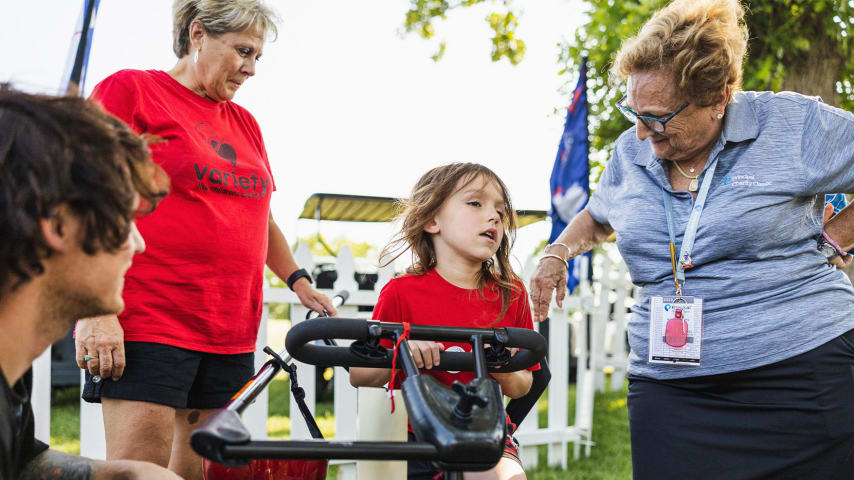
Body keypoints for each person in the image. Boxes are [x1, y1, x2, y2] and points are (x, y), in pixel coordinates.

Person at [530, 0, 854, 478]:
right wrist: (558, 252)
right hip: (671, 385)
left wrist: (839, 233)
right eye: (633, 111)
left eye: (658, 117)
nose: (640, 132)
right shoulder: (631, 149)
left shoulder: (790, 125)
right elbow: (600, 214)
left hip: (801, 373)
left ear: (720, 97)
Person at [73, 1, 337, 478]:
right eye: (243, 51)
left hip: (227, 328)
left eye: (258, 57)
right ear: (198, 33)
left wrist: (297, 279)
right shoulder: (132, 90)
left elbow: (262, 216)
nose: (251, 68)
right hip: (149, 317)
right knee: (140, 472)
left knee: (197, 474)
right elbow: (87, 196)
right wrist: (96, 310)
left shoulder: (245, 125)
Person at [0, 90, 180, 479]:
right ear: (59, 225)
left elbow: (18, 462)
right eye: (124, 219)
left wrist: (125, 474)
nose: (138, 242)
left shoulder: (12, 370)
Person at [350, 163, 535, 480]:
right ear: (432, 220)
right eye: (475, 203)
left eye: (500, 212)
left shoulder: (511, 293)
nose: (493, 217)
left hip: (484, 431)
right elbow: (361, 375)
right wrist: (403, 352)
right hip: (416, 435)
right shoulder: (401, 292)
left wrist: (497, 362)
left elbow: (522, 385)